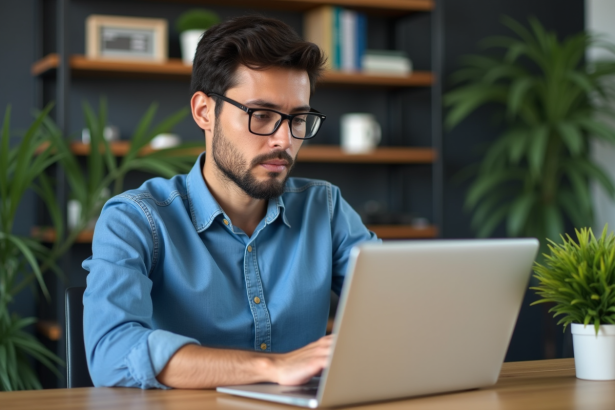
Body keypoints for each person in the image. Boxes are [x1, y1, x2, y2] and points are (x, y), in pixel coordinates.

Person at [82, 15, 379, 390]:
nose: (284, 141)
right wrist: (272, 367)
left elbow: (400, 306)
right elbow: (111, 355)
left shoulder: (326, 208)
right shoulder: (136, 220)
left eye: (298, 119)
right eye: (263, 115)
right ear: (205, 112)